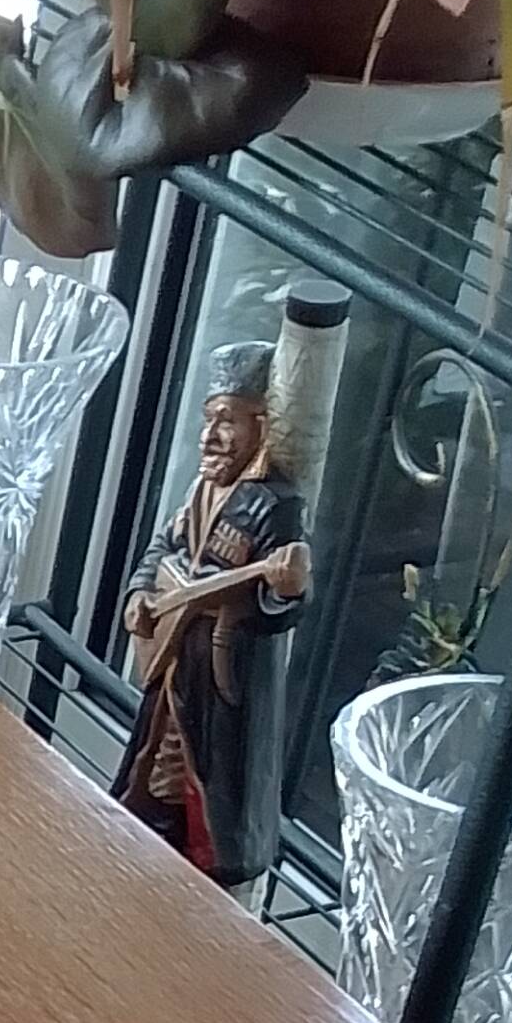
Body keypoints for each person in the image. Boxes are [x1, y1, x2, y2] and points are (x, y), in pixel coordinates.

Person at [114, 345, 313, 888]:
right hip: (175, 657)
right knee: (155, 756)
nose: (211, 435)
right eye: (209, 420)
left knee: (211, 772)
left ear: (259, 425)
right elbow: (164, 545)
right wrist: (138, 592)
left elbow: (280, 606)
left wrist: (286, 591)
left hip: (221, 673)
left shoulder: (275, 507)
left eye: (226, 421)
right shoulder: (201, 486)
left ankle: (203, 855)